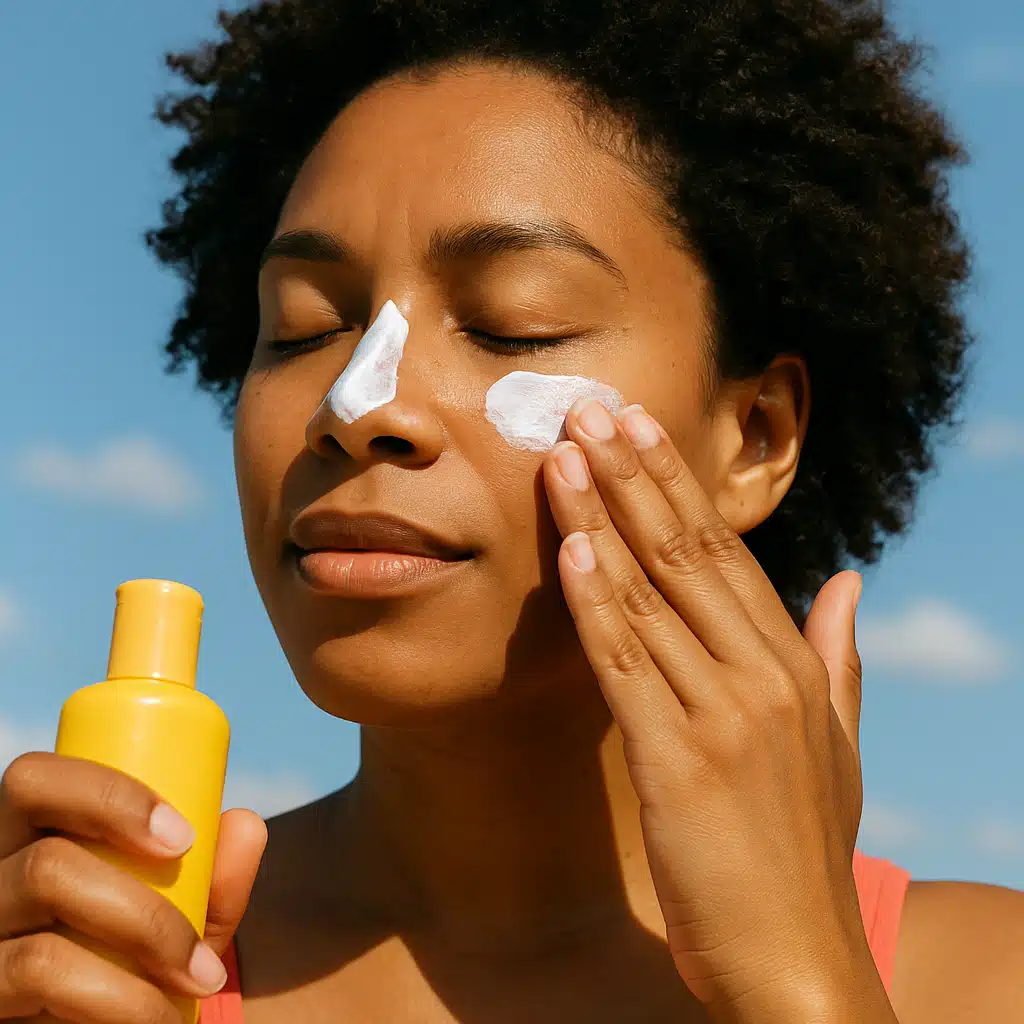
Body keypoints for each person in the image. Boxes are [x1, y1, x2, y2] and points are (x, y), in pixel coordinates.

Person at [2, 0, 1021, 1021]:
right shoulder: (90, 970)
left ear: (753, 437)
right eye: (302, 326)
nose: (356, 407)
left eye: (511, 326)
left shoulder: (984, 980)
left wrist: (804, 986)